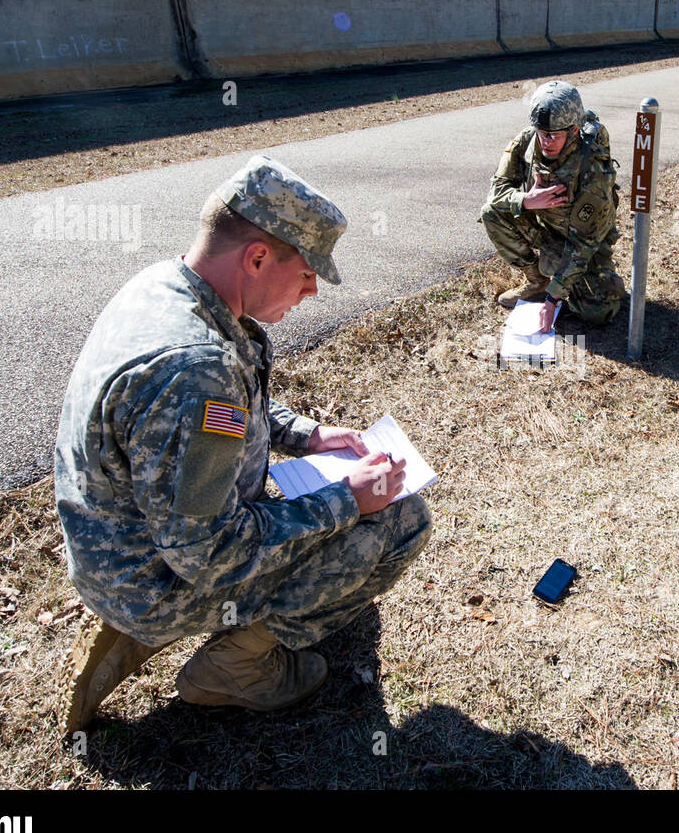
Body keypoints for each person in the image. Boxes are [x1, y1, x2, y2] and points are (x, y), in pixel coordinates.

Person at [55, 154, 433, 734]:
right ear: (257, 257)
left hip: (125, 547)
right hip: (156, 576)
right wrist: (347, 503)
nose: (311, 291)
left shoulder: (169, 288)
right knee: (401, 518)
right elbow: (207, 554)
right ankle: (235, 667)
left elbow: (224, 417)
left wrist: (303, 434)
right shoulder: (194, 369)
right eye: (308, 273)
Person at [479, 80, 625, 334]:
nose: (546, 141)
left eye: (554, 135)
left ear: (574, 131)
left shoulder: (591, 165)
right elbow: (495, 194)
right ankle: (536, 283)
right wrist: (526, 200)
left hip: (584, 243)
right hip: (546, 230)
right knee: (492, 213)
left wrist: (552, 300)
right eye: (542, 133)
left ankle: (557, 287)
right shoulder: (526, 141)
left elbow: (585, 243)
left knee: (599, 312)